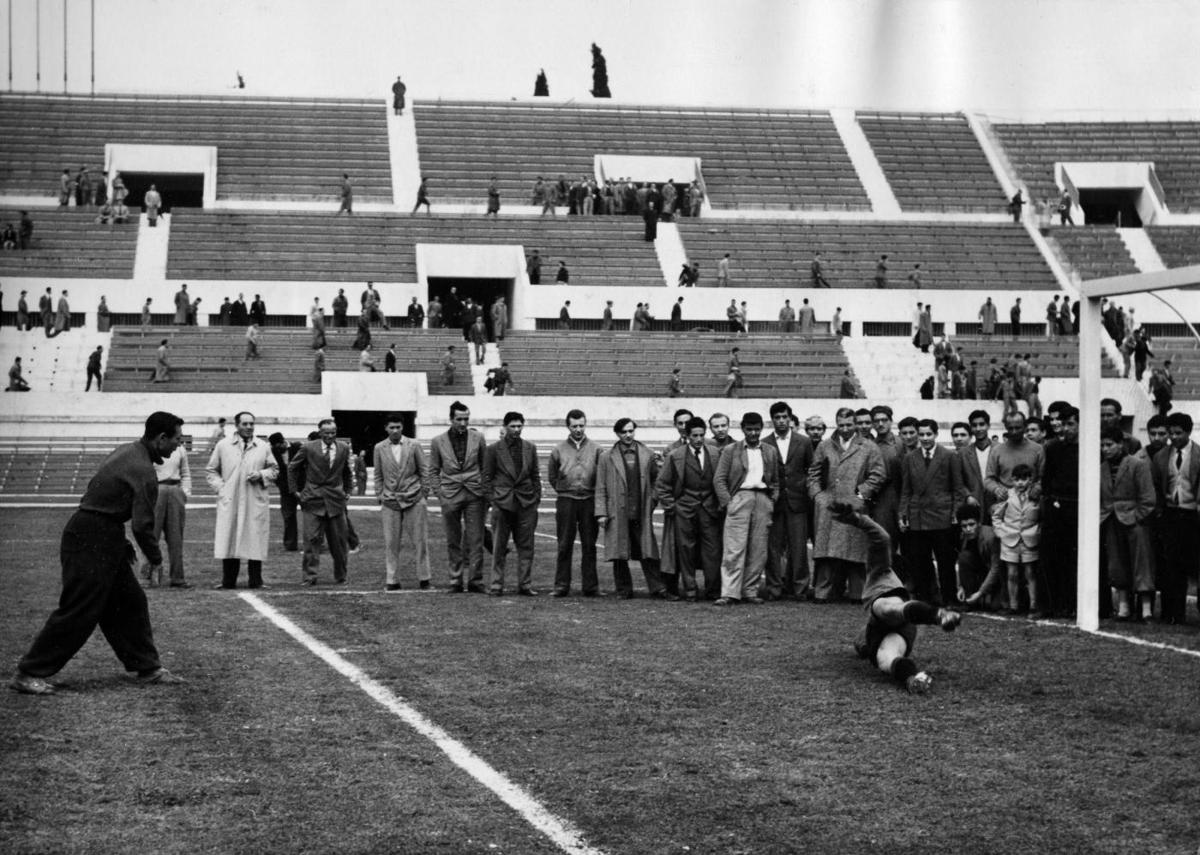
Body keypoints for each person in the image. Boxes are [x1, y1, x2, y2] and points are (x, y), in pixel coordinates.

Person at [9, 412, 188, 695]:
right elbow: (143, 526)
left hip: (99, 533)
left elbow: (106, 502)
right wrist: (155, 558)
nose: (180, 447)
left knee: (130, 602)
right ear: (161, 438)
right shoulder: (143, 471)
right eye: (177, 440)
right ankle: (29, 672)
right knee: (80, 608)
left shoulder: (128, 451)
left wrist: (118, 541)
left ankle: (147, 668)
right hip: (91, 538)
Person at [833, 502, 961, 695]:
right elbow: (862, 641)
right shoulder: (867, 634)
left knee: (889, 609)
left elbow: (882, 538)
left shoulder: (882, 571)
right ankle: (913, 678)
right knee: (886, 658)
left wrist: (858, 520)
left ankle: (938, 614)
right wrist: (862, 644)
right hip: (890, 628)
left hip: (891, 608)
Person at [808, 407, 886, 603]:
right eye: (841, 425)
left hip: (855, 506)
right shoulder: (825, 446)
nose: (845, 429)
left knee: (856, 553)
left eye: (849, 425)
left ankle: (857, 593)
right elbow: (814, 474)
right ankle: (823, 593)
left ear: (855, 425)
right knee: (826, 553)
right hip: (828, 506)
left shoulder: (869, 447)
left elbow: (878, 475)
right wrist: (818, 496)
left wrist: (859, 496)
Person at [595, 418, 671, 599]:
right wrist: (601, 512)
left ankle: (658, 587)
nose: (628, 435)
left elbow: (657, 480)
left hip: (641, 511)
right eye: (623, 432)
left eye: (631, 431)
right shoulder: (607, 457)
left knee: (649, 552)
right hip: (617, 512)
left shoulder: (648, 454)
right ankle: (623, 589)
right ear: (617, 434)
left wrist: (652, 501)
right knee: (619, 553)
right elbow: (600, 486)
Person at [713, 412, 780, 605]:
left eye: (756, 429)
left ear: (761, 429)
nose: (753, 433)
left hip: (762, 498)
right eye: (749, 429)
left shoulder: (769, 451)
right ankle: (730, 592)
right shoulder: (730, 450)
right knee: (734, 547)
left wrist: (772, 499)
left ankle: (750, 590)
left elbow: (775, 480)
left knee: (758, 549)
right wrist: (729, 501)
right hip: (740, 497)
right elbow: (719, 479)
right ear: (743, 429)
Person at [206, 411, 276, 589]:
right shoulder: (223, 445)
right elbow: (211, 470)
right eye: (245, 424)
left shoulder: (262, 446)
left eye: (251, 424)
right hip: (231, 498)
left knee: (255, 537)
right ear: (237, 425)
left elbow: (274, 469)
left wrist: (261, 474)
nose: (249, 427)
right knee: (230, 536)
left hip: (254, 497)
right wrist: (222, 488)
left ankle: (256, 581)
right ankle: (228, 581)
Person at [656, 416, 722, 601]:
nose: (699, 439)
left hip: (709, 510)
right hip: (684, 510)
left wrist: (718, 504)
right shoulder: (675, 455)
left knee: (712, 550)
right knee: (686, 551)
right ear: (687, 435)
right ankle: (690, 589)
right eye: (695, 435)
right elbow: (662, 485)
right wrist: (672, 506)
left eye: (702, 435)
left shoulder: (715, 454)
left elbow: (722, 479)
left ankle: (712, 590)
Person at [899, 419, 962, 606]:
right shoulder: (910, 458)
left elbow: (957, 488)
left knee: (945, 561)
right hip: (918, 516)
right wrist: (902, 514)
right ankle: (924, 599)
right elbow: (906, 490)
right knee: (920, 561)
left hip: (942, 516)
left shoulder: (949, 456)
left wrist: (955, 513)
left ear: (936, 434)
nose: (925, 438)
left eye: (929, 434)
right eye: (922, 435)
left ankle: (949, 599)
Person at [430, 403, 488, 592]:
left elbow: (485, 466)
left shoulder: (478, 437)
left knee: (476, 539)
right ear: (451, 419)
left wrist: (485, 491)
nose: (463, 423)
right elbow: (433, 470)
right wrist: (440, 494)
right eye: (459, 419)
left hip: (474, 493)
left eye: (466, 419)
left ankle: (475, 580)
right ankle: (455, 580)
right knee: (453, 540)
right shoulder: (438, 441)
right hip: (450, 494)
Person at [1100, 426, 1156, 621]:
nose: (1105, 449)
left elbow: (1148, 498)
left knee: (1142, 563)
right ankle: (1123, 607)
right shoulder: (1101, 468)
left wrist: (1136, 517)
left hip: (1136, 523)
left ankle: (1146, 609)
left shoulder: (1137, 465)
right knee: (1117, 564)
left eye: (1109, 445)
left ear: (1120, 444)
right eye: (1102, 445)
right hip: (1111, 520)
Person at [289, 418, 353, 586]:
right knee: (311, 540)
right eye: (326, 433)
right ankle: (310, 576)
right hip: (312, 499)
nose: (330, 436)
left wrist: (347, 490)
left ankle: (341, 576)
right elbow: (292, 467)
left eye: (333, 433)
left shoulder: (344, 448)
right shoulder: (308, 447)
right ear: (320, 432)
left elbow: (347, 471)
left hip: (335, 500)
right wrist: (295, 490)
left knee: (339, 541)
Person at [1150, 413, 1200, 625]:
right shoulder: (1161, 456)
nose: (1173, 437)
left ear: (1189, 432)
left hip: (1193, 515)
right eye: (1171, 433)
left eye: (1178, 433)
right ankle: (1173, 613)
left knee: (1195, 565)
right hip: (1171, 514)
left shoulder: (1198, 455)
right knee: (1172, 566)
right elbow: (1157, 485)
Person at [485, 412, 542, 596]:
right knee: (499, 546)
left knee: (526, 546)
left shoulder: (529, 448)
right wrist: (494, 499)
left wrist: (535, 498)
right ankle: (496, 585)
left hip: (526, 503)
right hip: (503, 503)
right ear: (505, 426)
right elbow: (487, 477)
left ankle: (525, 585)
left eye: (519, 426)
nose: (516, 430)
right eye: (513, 426)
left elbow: (535, 475)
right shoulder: (494, 449)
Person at [374, 413, 433, 592]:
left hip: (414, 497)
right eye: (391, 427)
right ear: (386, 428)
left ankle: (424, 578)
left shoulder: (413, 445)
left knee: (420, 540)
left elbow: (424, 470)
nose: (395, 431)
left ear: (403, 427)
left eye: (398, 427)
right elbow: (378, 474)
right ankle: (392, 579)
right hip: (390, 499)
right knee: (391, 542)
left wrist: (424, 494)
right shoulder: (379, 447)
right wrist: (380, 495)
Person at [548, 410, 603, 597]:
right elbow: (552, 476)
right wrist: (565, 489)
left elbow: (601, 476)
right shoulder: (558, 449)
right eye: (574, 426)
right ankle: (561, 585)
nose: (578, 429)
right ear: (568, 427)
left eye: (581, 425)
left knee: (589, 544)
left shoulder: (596, 449)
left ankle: (590, 586)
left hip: (589, 500)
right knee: (564, 544)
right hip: (566, 500)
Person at [762, 402, 814, 601]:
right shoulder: (765, 442)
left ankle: (800, 588)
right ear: (772, 420)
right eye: (777, 417)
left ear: (790, 419)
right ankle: (774, 588)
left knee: (799, 547)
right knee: (773, 548)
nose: (781, 421)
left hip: (798, 501)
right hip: (774, 502)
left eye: (784, 417)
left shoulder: (804, 442)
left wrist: (805, 491)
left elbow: (811, 469)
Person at [987, 463, 1041, 616]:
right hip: (1009, 539)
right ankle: (1013, 605)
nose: (1020, 483)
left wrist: (1037, 531)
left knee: (1030, 573)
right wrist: (1000, 532)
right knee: (1012, 573)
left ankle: (1033, 605)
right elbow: (996, 515)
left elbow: (1042, 516)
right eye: (1017, 480)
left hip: (1030, 539)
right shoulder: (1007, 495)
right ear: (1012, 480)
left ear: (1030, 479)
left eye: (1024, 479)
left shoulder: (1035, 496)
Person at [144, 441, 191, 589]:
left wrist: (184, 493)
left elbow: (185, 473)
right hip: (156, 491)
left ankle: (177, 578)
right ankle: (145, 577)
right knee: (151, 536)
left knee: (176, 538)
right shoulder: (150, 448)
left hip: (175, 490)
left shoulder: (180, 449)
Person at [268, 432, 301, 552]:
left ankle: (316, 543)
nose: (276, 449)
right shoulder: (273, 452)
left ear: (283, 442)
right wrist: (279, 483)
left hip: (302, 488)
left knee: (311, 516)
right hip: (285, 491)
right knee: (288, 517)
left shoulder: (297, 448)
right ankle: (290, 545)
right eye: (274, 447)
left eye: (278, 446)